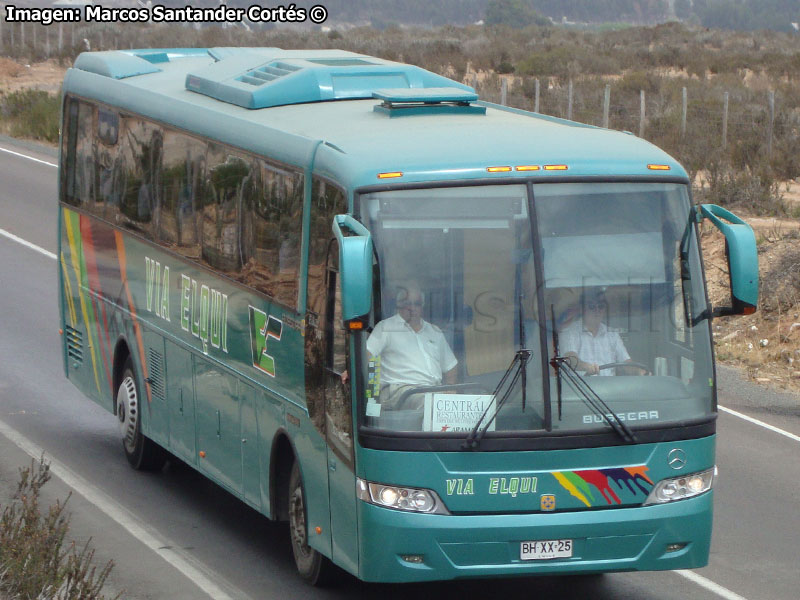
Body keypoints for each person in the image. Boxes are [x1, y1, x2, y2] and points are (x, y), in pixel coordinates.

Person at [366, 282, 458, 409]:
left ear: (422, 307)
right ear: (399, 305)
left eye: (417, 304)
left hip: (432, 391)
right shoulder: (385, 327)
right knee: (432, 403)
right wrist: (372, 403)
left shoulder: (434, 331)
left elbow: (450, 366)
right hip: (398, 390)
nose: (412, 308)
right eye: (407, 303)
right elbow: (368, 356)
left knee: (464, 405)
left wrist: (450, 390)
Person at [560, 288, 646, 376]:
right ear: (582, 309)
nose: (597, 310)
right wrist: (586, 366)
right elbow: (570, 359)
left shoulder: (612, 334)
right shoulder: (569, 332)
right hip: (580, 387)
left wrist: (638, 371)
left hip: (610, 388)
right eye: (591, 306)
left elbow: (626, 362)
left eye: (601, 306)